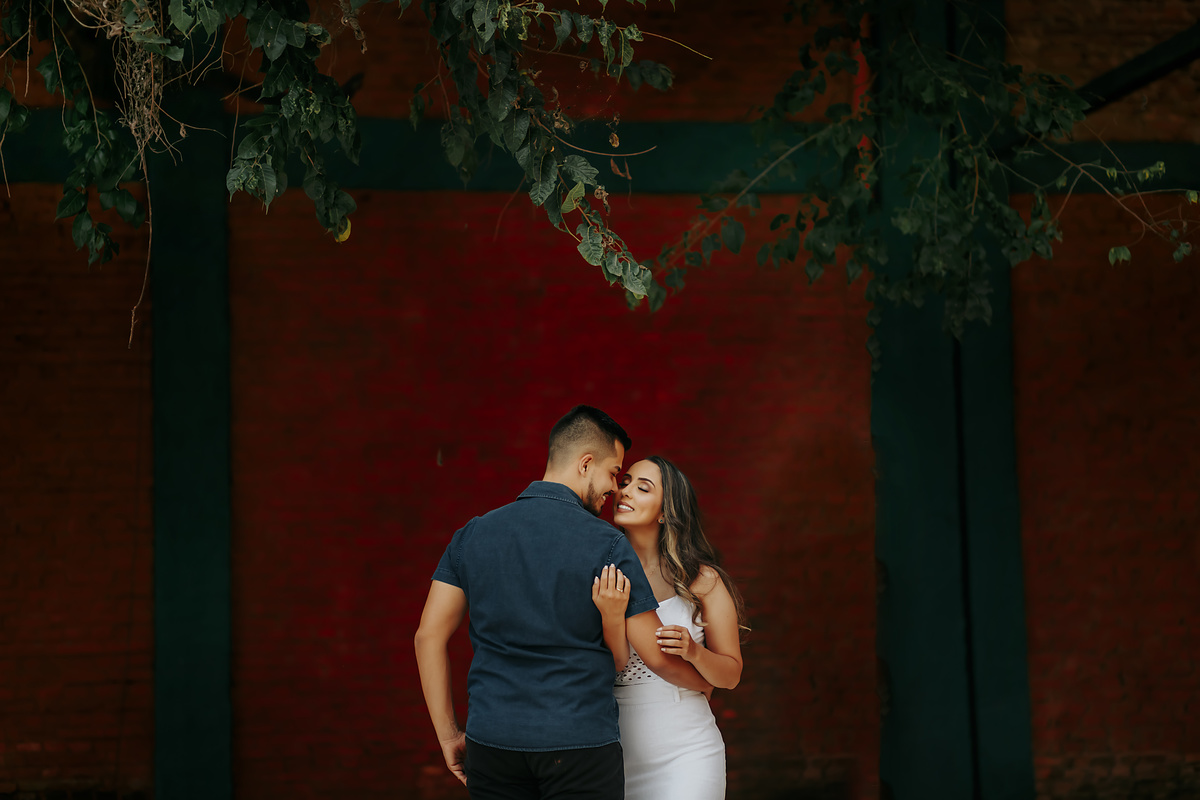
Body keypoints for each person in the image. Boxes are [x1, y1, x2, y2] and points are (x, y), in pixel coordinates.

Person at [414, 406, 712, 800]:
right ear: (585, 464)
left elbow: (428, 637)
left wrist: (449, 734)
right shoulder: (608, 545)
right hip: (579, 744)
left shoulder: (473, 534)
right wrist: (705, 683)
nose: (614, 488)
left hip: (492, 742)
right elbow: (655, 656)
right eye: (613, 473)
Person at [592, 455, 749, 800]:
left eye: (642, 488)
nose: (625, 491)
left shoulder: (703, 580)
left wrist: (694, 653)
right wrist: (611, 617)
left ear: (665, 511)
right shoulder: (601, 575)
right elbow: (607, 663)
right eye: (625, 482)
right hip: (615, 748)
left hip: (687, 750)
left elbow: (731, 676)